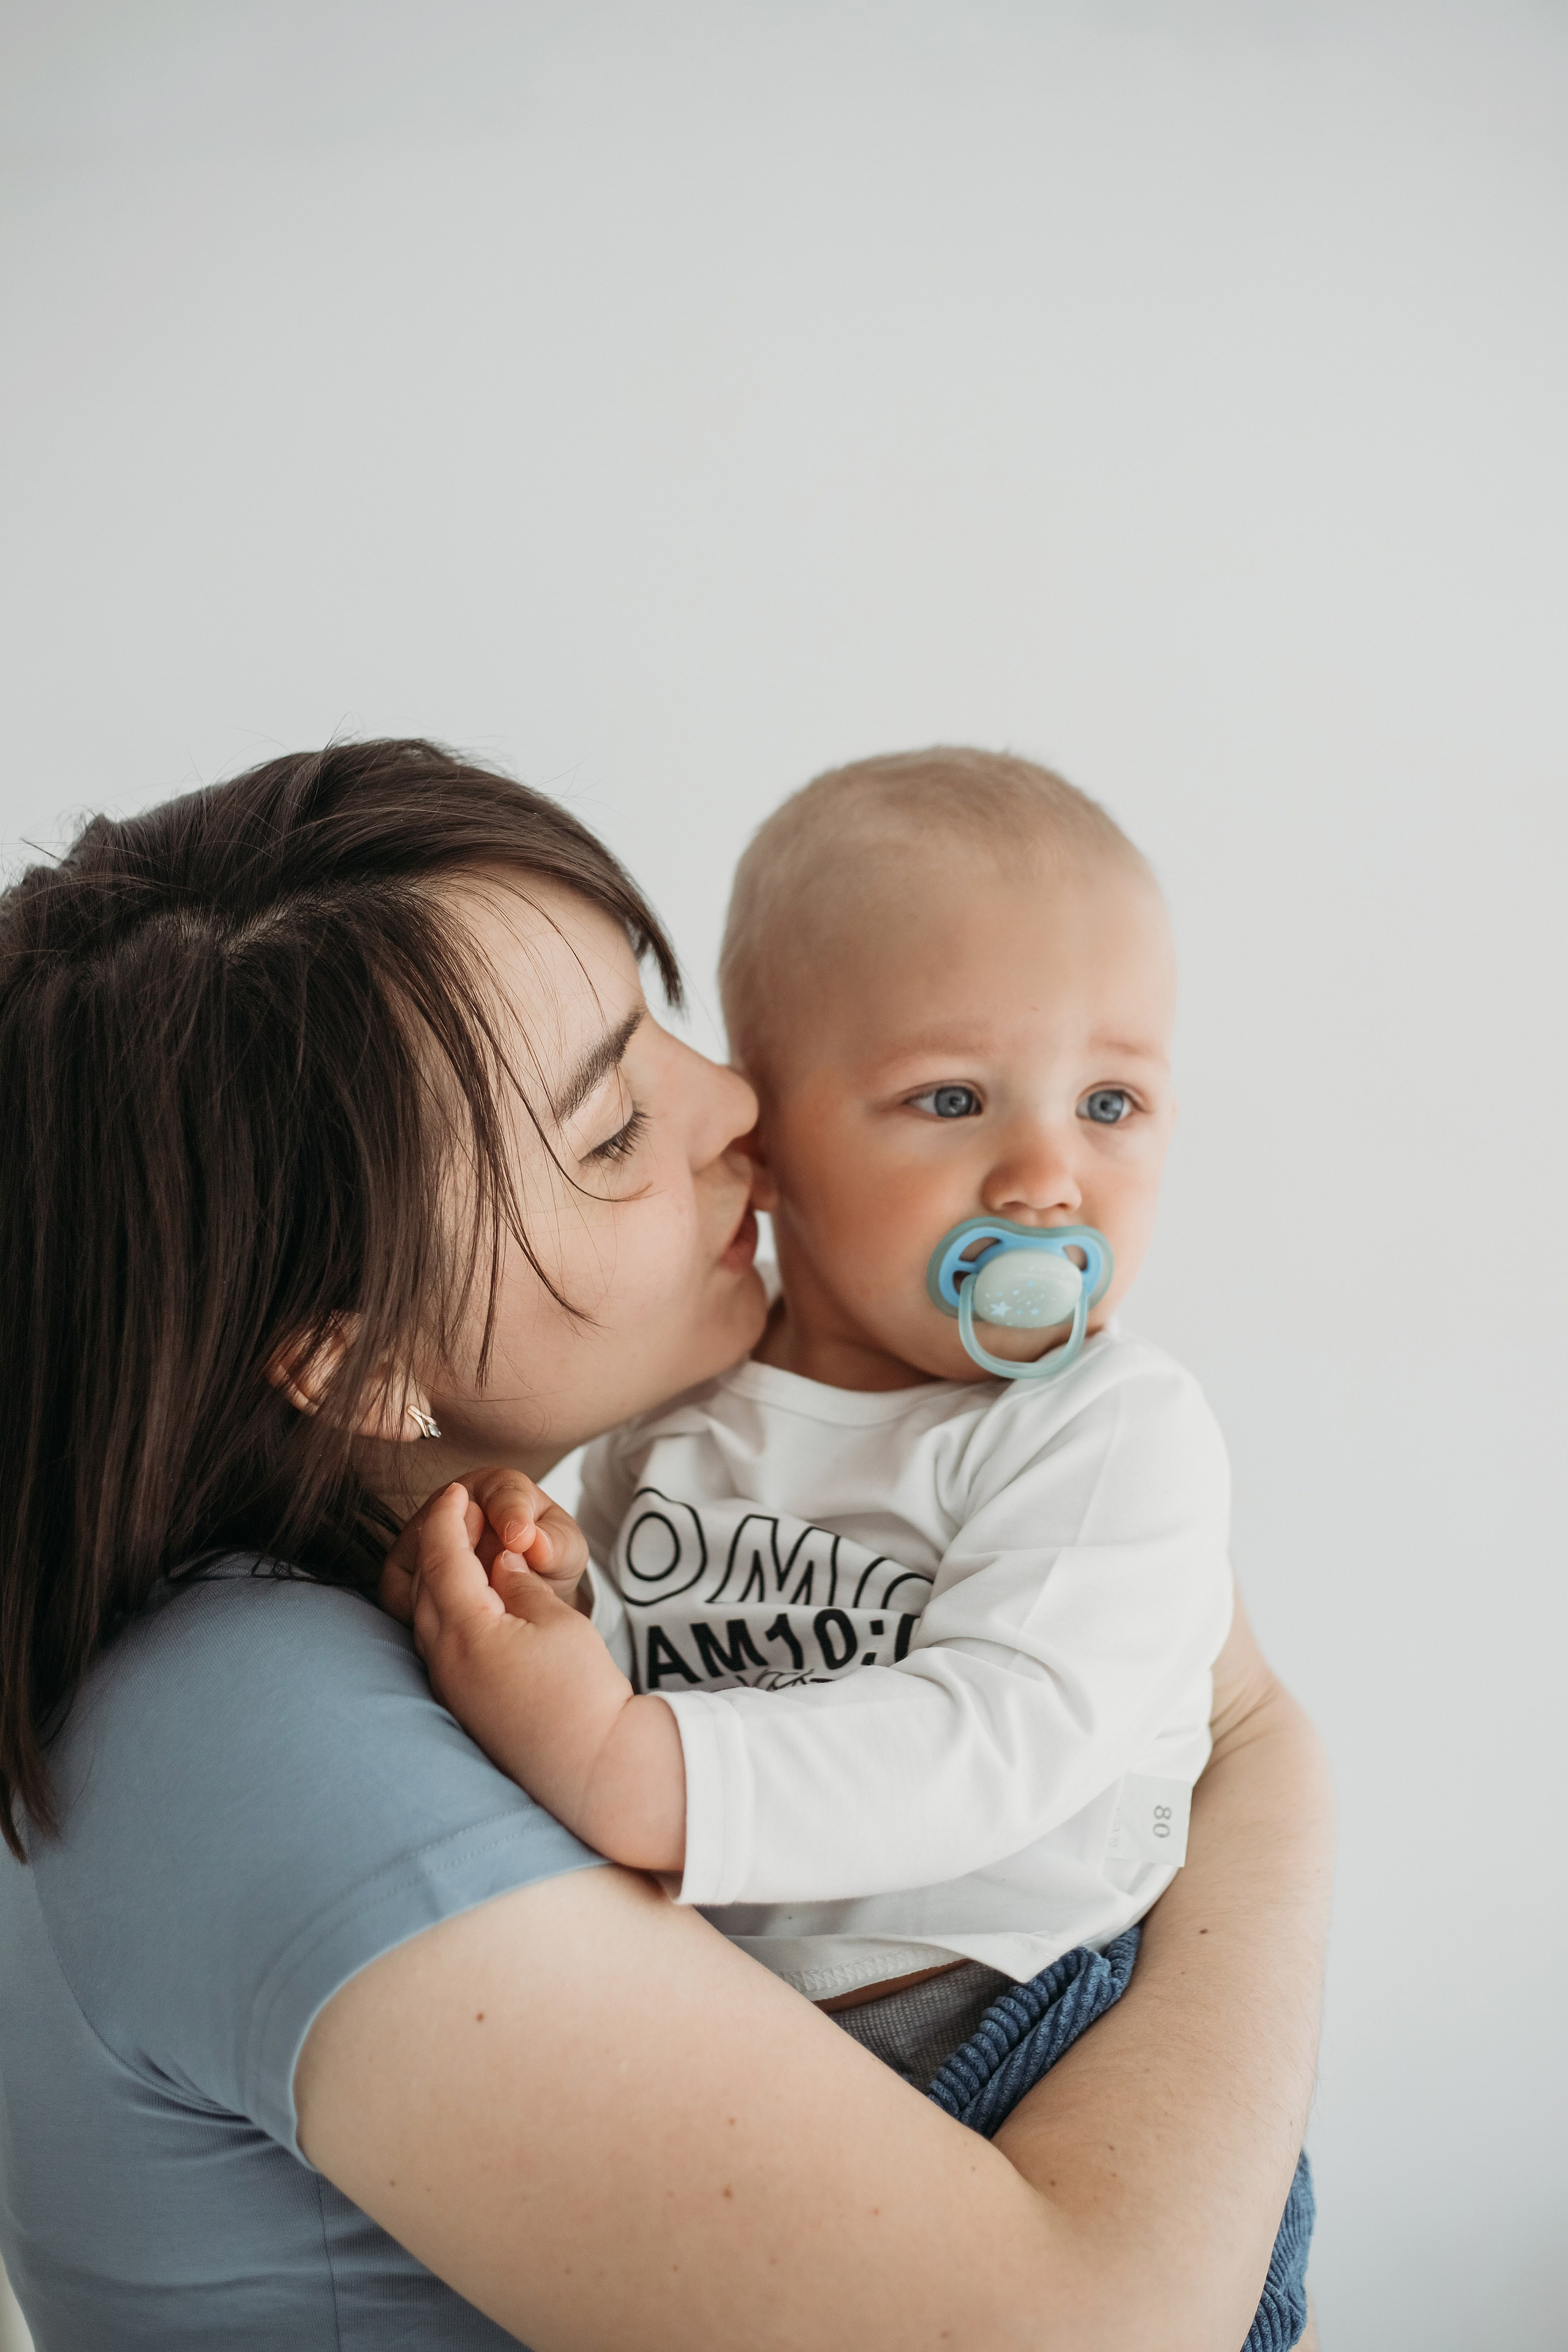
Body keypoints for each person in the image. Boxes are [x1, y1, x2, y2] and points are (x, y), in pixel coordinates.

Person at [0, 738, 1330, 2351]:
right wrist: (1262, 1765)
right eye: (614, 1124)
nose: (742, 1107)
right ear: (350, 1359)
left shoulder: (421, 1600)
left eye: (664, 1026)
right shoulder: (251, 1732)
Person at [380, 749, 1314, 2344]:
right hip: (777, 2053)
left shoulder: (1106, 1432)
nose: (1045, 1176)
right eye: (951, 1100)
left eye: (1114, 1102)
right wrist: (564, 1592)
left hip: (1027, 2029)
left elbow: (998, 1737)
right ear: (772, 1146)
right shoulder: (684, 1422)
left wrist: (627, 1760)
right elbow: (670, 1645)